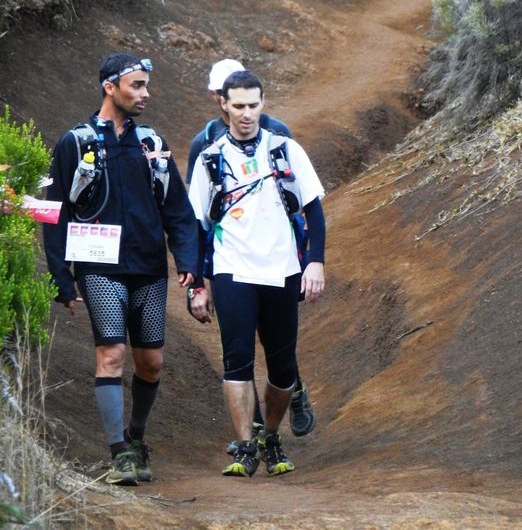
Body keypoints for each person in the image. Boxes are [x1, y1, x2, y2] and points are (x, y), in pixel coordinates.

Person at [43, 53, 209, 486]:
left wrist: (189, 263)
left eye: (146, 85)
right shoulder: (75, 142)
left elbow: (178, 211)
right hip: (97, 266)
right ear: (109, 87)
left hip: (149, 269)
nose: (146, 94)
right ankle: (118, 453)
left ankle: (136, 437)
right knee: (111, 354)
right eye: (136, 85)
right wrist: (62, 277)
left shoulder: (151, 144)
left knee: (151, 363)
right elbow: (55, 212)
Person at [188, 70, 326, 477]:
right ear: (223, 105)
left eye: (253, 105)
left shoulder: (286, 149)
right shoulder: (210, 158)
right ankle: (245, 447)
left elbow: (314, 210)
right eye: (238, 106)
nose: (246, 114)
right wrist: (197, 282)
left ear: (262, 104)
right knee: (237, 361)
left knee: (283, 368)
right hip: (232, 269)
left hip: (283, 268)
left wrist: (314, 261)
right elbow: (195, 226)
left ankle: (270, 436)